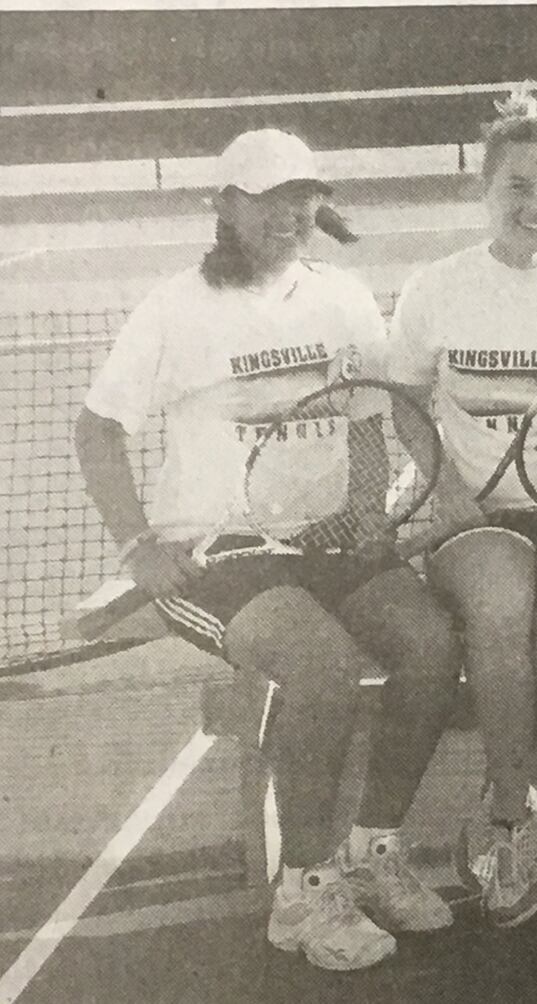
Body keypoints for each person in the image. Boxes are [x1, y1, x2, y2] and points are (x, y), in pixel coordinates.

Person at [74, 128, 458, 971]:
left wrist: (366, 510)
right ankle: (306, 891)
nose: (289, 212)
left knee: (432, 646)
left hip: (327, 541)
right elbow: (98, 429)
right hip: (215, 551)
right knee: (319, 663)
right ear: (226, 206)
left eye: (302, 195)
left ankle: (374, 850)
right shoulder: (176, 307)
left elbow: (368, 419)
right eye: (267, 196)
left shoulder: (345, 298)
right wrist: (140, 547)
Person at [385, 88, 537, 928]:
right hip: (476, 514)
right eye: (518, 187)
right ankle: (513, 820)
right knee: (500, 608)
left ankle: (506, 793)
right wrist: (442, 485)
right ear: (485, 191)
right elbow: (407, 398)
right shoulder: (437, 287)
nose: (536, 205)